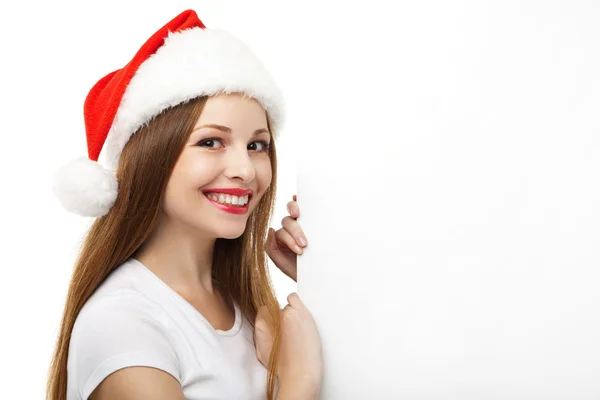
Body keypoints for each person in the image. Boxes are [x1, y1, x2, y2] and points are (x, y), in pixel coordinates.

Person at [46, 9, 323, 400]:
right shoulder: (122, 324)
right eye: (211, 142)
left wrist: (324, 287)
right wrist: (298, 383)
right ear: (151, 157)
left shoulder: (243, 305)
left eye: (257, 145)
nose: (245, 169)